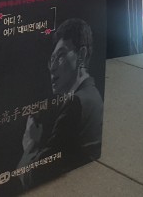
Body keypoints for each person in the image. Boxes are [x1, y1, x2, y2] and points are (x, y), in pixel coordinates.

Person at [17, 18, 103, 189]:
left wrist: (30, 145)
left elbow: (36, 176)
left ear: (81, 55)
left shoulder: (76, 103)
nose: (53, 68)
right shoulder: (93, 94)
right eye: (52, 59)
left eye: (61, 56)